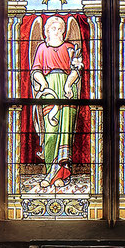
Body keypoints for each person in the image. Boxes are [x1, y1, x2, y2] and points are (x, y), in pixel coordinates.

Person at [31, 15, 82, 187]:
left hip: (67, 91)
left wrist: (68, 84)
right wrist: (44, 85)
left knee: (65, 134)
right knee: (51, 132)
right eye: (53, 28)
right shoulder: (42, 49)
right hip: (50, 91)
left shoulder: (69, 48)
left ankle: (61, 175)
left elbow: (75, 71)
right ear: (46, 31)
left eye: (60, 29)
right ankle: (49, 173)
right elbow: (36, 71)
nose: (57, 31)